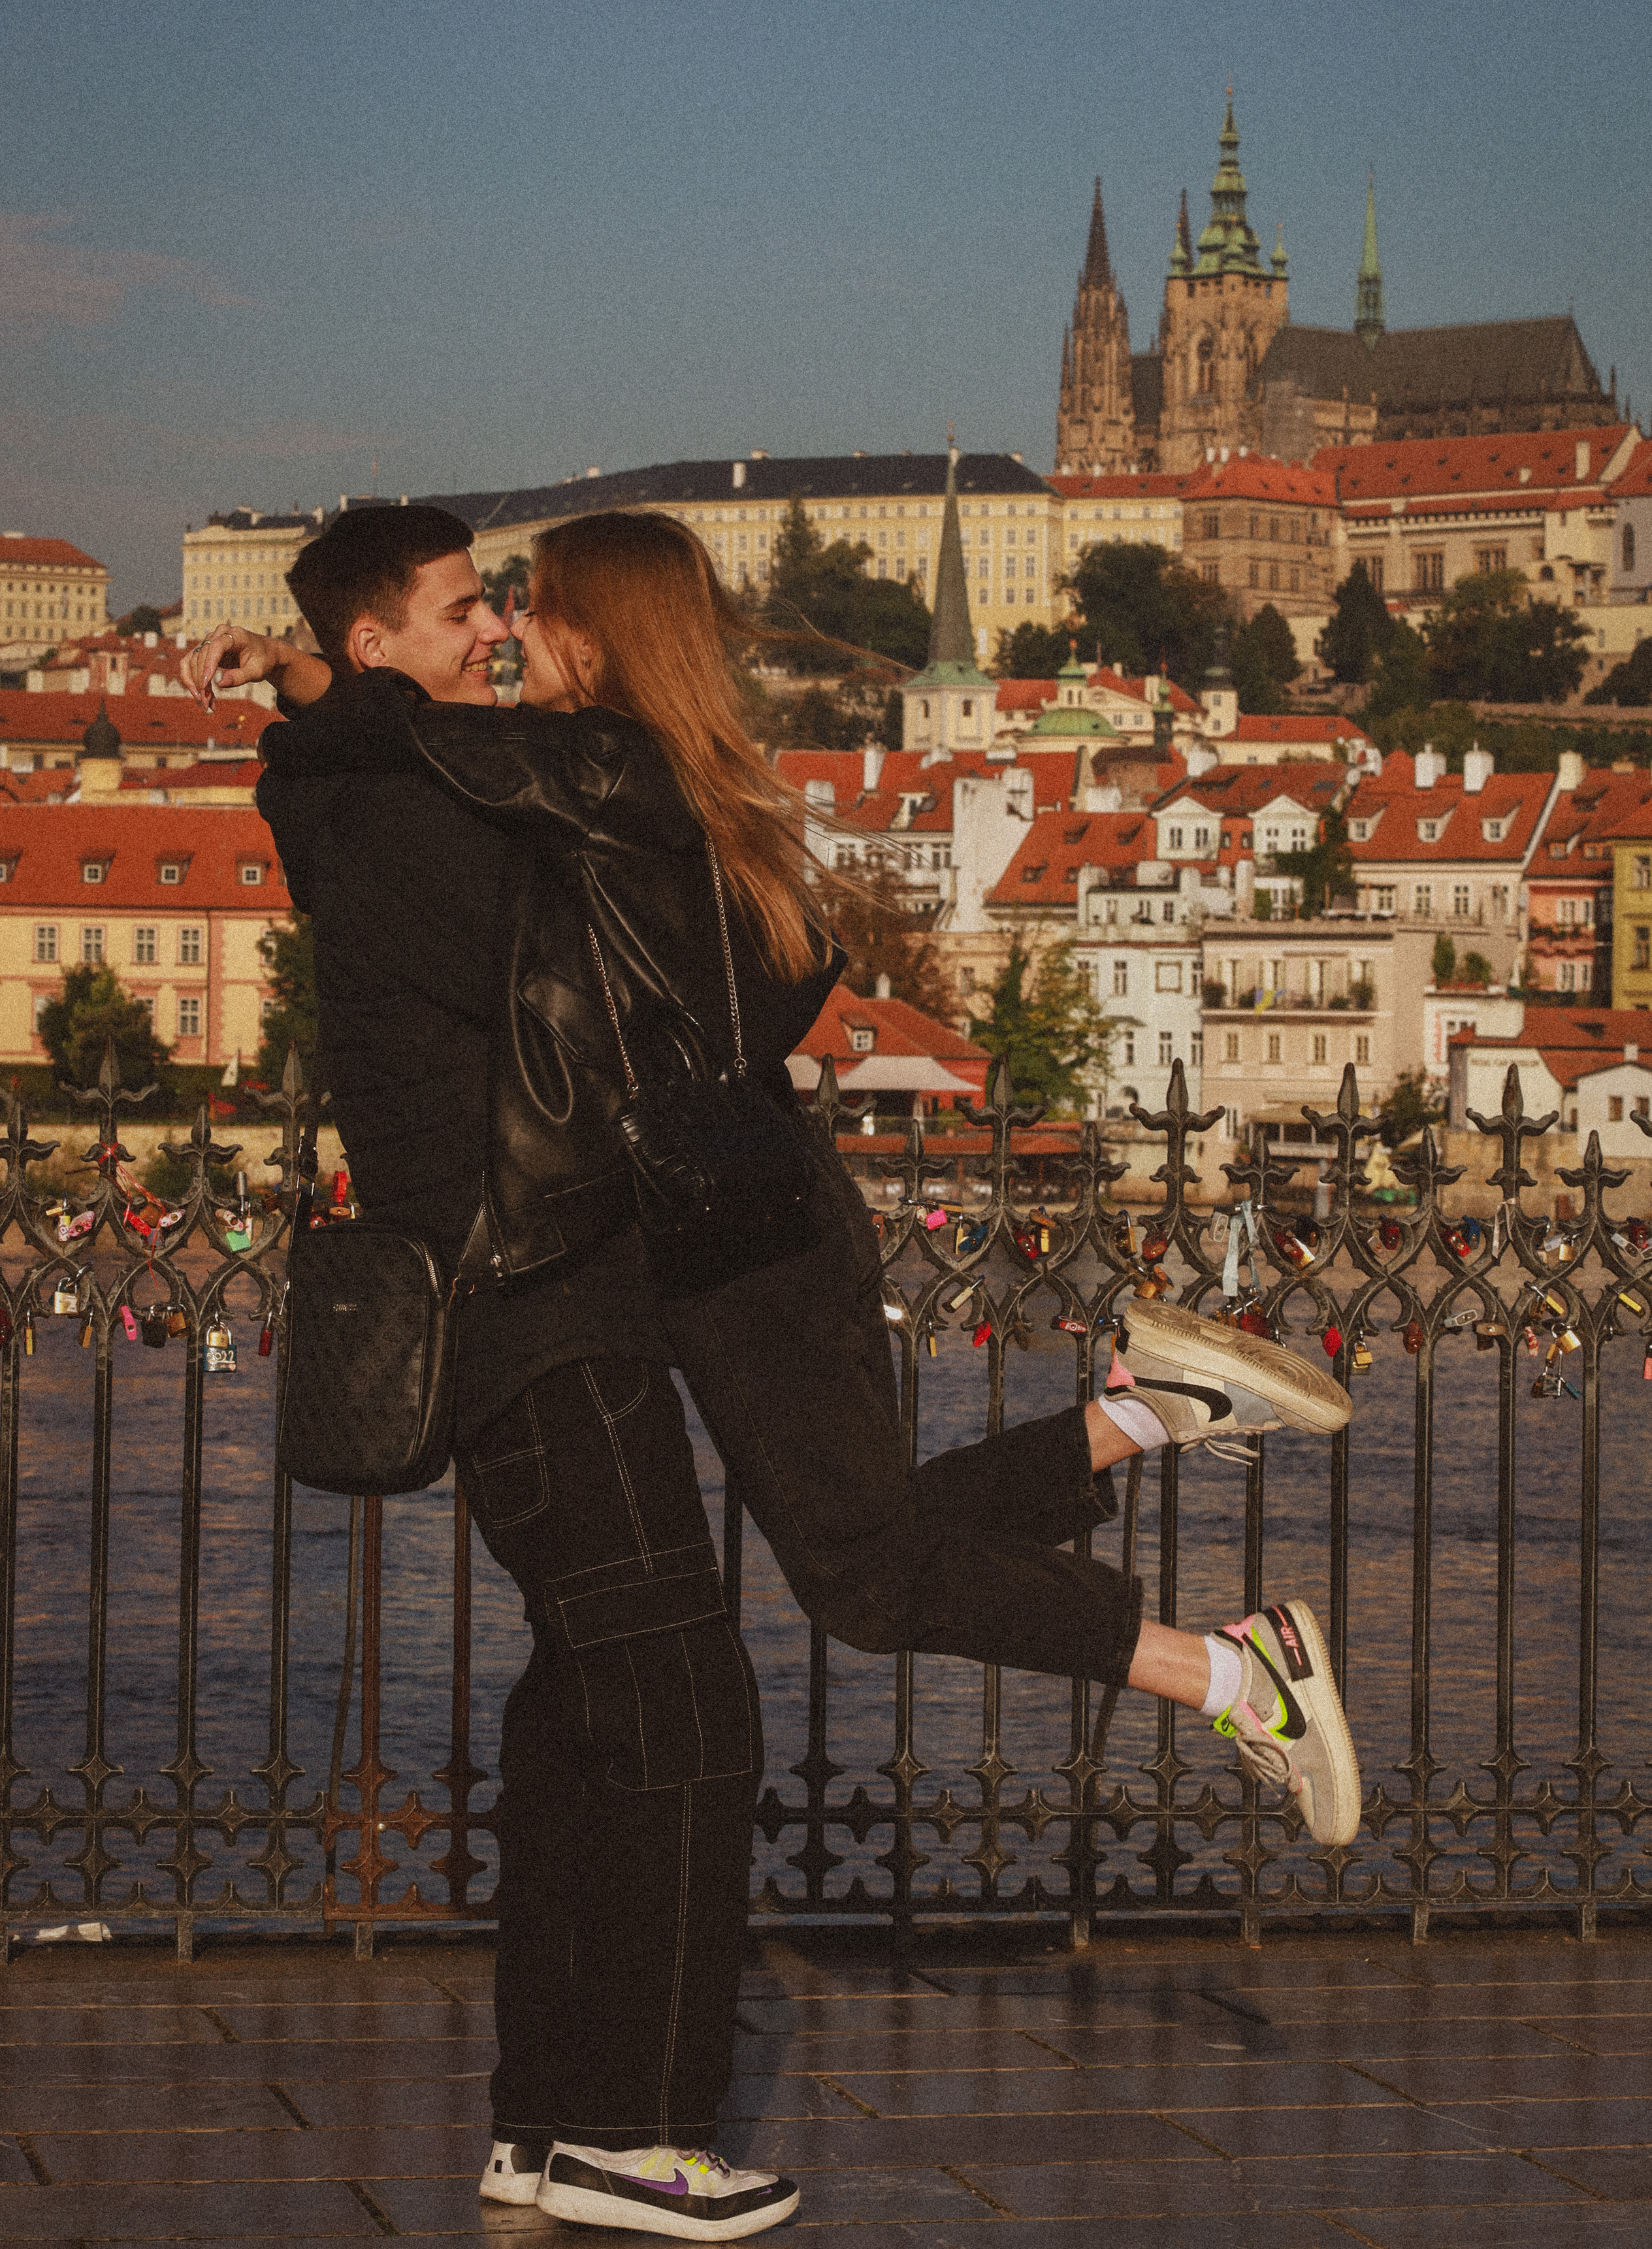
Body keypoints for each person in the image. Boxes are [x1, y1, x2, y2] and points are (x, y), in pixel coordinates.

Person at [206, 505, 1358, 2242]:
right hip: (584, 1277)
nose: (502, 627)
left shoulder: (568, 787)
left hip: (674, 1245)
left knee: (710, 1652)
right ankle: (608, 2128)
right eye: (470, 608)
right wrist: (321, 689)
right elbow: (436, 791)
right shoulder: (511, 794)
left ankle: (579, 2124)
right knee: (735, 1649)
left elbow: (476, 800)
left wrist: (324, 693)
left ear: (602, 640)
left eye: (521, 606)